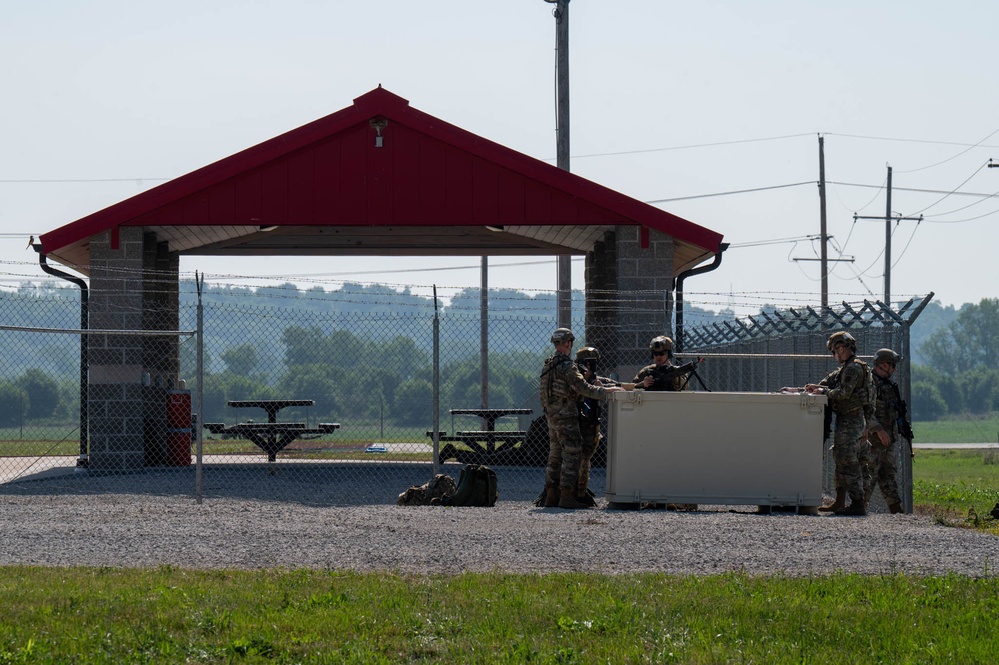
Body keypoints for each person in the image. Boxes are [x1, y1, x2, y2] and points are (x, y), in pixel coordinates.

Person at [539, 329, 625, 509]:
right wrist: (606, 392)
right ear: (568, 343)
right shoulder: (567, 366)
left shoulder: (548, 365)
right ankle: (566, 495)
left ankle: (551, 495)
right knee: (573, 452)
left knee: (555, 454)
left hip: (551, 415)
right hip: (566, 415)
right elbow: (582, 388)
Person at [805, 331, 874, 516]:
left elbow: (843, 393)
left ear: (841, 349)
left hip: (851, 422)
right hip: (850, 421)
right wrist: (820, 388)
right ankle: (841, 501)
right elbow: (834, 384)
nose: (834, 356)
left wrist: (823, 393)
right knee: (842, 459)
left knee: (849, 461)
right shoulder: (850, 368)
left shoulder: (853, 369)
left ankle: (858, 503)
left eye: (834, 352)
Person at [574, 346, 625, 506]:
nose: (590, 368)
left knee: (586, 458)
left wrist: (603, 386)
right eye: (587, 364)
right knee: (577, 459)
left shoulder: (596, 380)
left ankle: (581, 490)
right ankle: (575, 492)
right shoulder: (576, 380)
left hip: (591, 424)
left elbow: (619, 387)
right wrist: (598, 388)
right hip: (576, 425)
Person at [864, 348, 905, 514]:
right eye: (892, 365)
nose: (894, 369)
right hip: (874, 440)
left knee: (888, 475)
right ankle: (860, 507)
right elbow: (866, 410)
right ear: (883, 364)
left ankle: (896, 510)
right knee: (869, 474)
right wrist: (878, 430)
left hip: (888, 439)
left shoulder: (889, 385)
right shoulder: (870, 383)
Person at [633, 336, 697, 391]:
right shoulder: (646, 371)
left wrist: (673, 377)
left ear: (668, 354)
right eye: (656, 354)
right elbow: (631, 387)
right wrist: (643, 384)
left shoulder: (678, 372)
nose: (658, 357)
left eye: (662, 353)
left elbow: (684, 389)